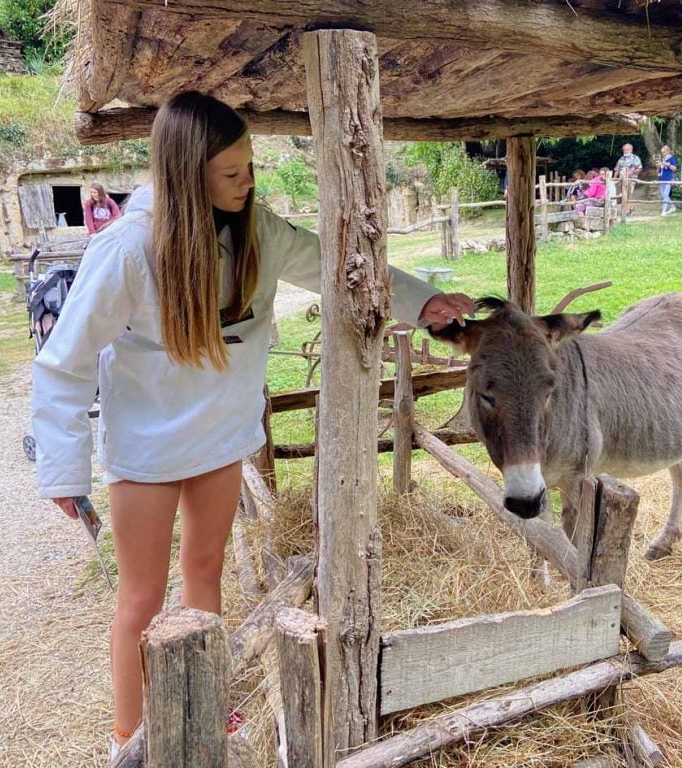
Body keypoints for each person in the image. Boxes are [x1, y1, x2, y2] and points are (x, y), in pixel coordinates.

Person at [30, 92, 474, 759]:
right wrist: (62, 470)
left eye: (250, 169)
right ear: (186, 174)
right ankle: (129, 740)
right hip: (146, 446)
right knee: (142, 598)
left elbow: (335, 267)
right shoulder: (125, 250)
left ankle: (203, 705)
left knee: (204, 569)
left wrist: (420, 298)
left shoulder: (257, 230)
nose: (248, 184)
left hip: (219, 435)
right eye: (232, 174)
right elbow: (62, 366)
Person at [614, 143, 642, 214]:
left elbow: (640, 168)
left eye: (627, 149)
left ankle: (627, 210)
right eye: (624, 150)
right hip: (621, 179)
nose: (625, 151)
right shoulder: (621, 159)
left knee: (629, 194)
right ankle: (630, 208)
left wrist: (631, 172)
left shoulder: (635, 158)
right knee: (622, 194)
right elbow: (617, 169)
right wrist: (614, 179)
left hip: (631, 179)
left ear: (631, 150)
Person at [657, 145, 678, 216]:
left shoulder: (672, 158)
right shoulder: (663, 159)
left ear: (667, 151)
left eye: (663, 152)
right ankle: (672, 207)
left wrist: (668, 165)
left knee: (666, 194)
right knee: (663, 195)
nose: (662, 153)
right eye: (662, 152)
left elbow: (674, 169)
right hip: (661, 179)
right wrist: (659, 166)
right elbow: (659, 170)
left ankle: (663, 211)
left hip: (669, 179)